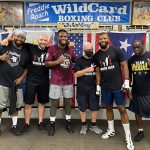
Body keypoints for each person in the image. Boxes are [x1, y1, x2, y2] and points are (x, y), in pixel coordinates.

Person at [93, 32, 134, 150]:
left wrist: (126, 80)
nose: (102, 40)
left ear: (108, 39)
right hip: (105, 88)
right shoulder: (97, 55)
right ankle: (111, 130)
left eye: (104, 38)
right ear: (98, 40)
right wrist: (98, 84)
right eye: (100, 38)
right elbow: (97, 71)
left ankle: (128, 136)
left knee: (121, 109)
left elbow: (125, 65)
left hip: (117, 86)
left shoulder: (116, 50)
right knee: (108, 108)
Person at [45, 29, 76, 136]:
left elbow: (75, 60)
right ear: (57, 37)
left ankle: (68, 122)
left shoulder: (70, 49)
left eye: (65, 37)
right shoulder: (52, 48)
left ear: (67, 38)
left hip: (68, 81)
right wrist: (58, 61)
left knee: (68, 102)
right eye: (61, 36)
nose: (63, 38)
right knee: (54, 103)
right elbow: (47, 64)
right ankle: (52, 124)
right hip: (55, 81)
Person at [0, 30, 29, 136]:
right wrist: (1, 57)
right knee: (0, 106)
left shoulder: (25, 53)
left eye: (22, 37)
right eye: (18, 36)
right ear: (14, 36)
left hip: (16, 84)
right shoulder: (5, 45)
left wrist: (21, 78)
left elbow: (26, 68)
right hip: (2, 81)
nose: (20, 39)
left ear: (25, 40)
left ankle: (14, 126)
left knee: (16, 106)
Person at [21, 34, 49, 134]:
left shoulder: (49, 49)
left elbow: (63, 46)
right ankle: (27, 124)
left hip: (44, 81)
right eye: (41, 39)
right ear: (37, 40)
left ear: (48, 41)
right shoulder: (31, 47)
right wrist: (7, 39)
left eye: (45, 40)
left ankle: (40, 122)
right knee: (28, 103)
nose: (43, 42)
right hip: (31, 80)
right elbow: (18, 42)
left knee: (42, 102)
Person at [74, 42, 103, 135]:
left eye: (91, 49)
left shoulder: (96, 59)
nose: (90, 51)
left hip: (93, 89)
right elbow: (75, 74)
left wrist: (99, 86)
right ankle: (83, 125)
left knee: (94, 108)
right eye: (87, 50)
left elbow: (99, 72)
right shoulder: (79, 60)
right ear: (84, 50)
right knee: (82, 108)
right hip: (82, 89)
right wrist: (87, 70)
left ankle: (93, 125)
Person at [128, 40, 150, 142]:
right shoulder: (131, 60)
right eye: (134, 48)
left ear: (143, 46)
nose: (136, 49)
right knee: (137, 112)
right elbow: (130, 76)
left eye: (138, 47)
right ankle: (140, 131)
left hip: (148, 91)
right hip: (137, 91)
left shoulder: (149, 56)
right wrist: (130, 89)